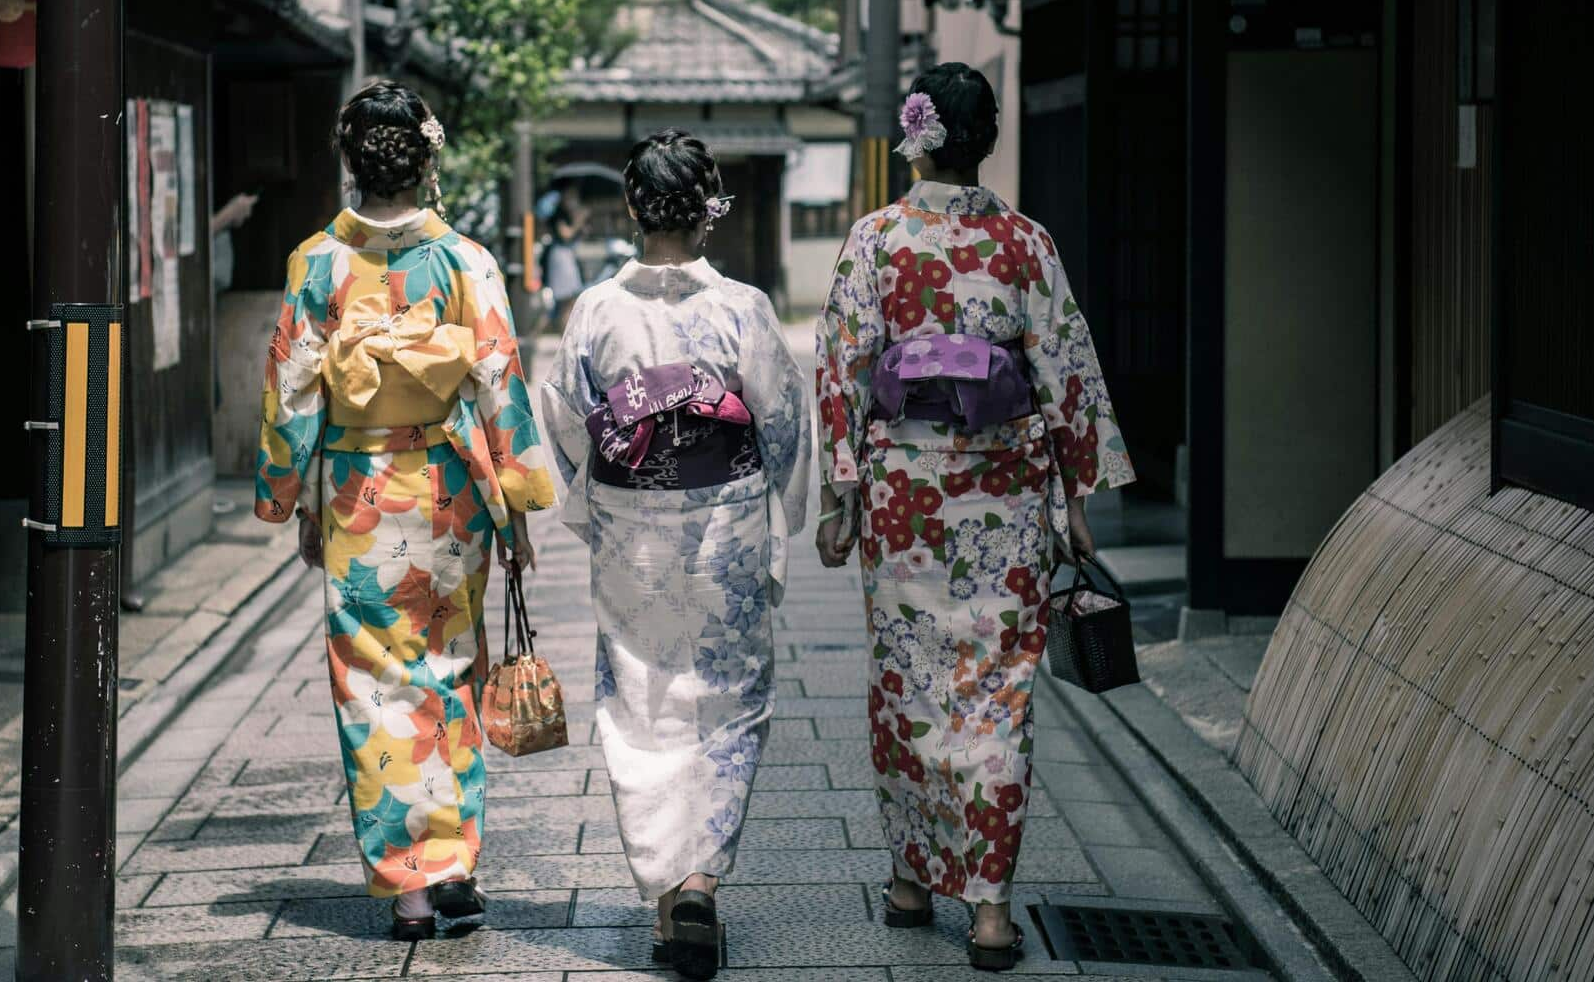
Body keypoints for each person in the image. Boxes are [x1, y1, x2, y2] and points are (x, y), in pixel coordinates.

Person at [812, 64, 1134, 971]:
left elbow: (842, 375)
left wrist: (840, 501)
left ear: (913, 137)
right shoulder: (1026, 244)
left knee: (910, 683)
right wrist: (1075, 498)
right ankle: (990, 907)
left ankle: (913, 880)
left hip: (905, 498)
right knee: (997, 694)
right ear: (985, 139)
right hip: (1005, 493)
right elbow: (1067, 371)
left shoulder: (875, 240)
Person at [253, 78, 554, 940]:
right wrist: (519, 503)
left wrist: (290, 492)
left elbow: (293, 390)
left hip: (357, 490)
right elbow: (500, 379)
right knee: (450, 665)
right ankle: (455, 863)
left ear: (351, 161)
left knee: (376, 685)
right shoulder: (465, 259)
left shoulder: (318, 262)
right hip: (452, 486)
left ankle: (412, 888)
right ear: (427, 160)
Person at [540, 129, 811, 980]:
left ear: (631, 209)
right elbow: (781, 421)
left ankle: (667, 900)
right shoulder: (743, 309)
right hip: (723, 517)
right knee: (726, 700)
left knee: (641, 698)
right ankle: (699, 881)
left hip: (631, 521)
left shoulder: (595, 310)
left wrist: (596, 500)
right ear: (708, 211)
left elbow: (564, 417)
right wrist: (782, 509)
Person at [539, 188, 588, 333]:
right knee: (565, 301)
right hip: (561, 259)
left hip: (566, 256)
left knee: (570, 301)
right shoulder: (558, 216)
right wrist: (579, 220)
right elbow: (566, 234)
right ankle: (561, 334)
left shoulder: (566, 215)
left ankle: (563, 333)